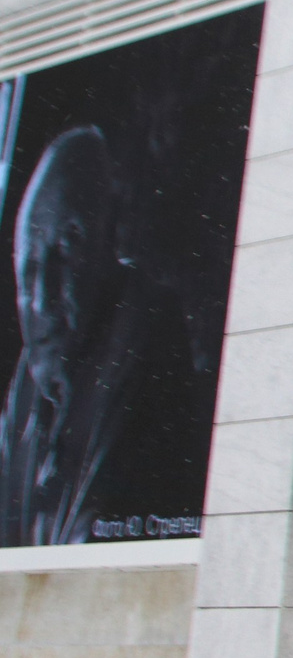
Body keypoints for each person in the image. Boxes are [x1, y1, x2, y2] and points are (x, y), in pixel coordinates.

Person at [0, 128, 204, 543]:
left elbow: (96, 539)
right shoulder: (33, 368)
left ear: (110, 239)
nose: (42, 300)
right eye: (30, 270)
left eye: (66, 250)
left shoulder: (145, 325)